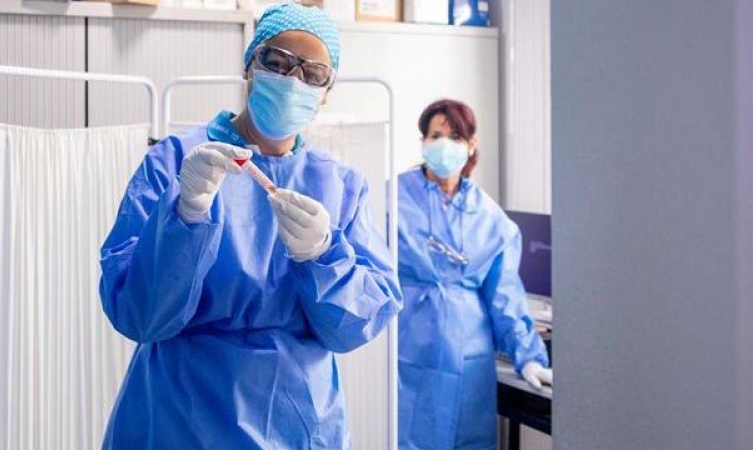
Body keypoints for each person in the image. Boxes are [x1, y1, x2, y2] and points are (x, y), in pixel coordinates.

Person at [98, 5, 402, 449]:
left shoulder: (340, 186)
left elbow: (354, 326)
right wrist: (184, 216)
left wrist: (323, 256)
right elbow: (138, 313)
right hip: (181, 417)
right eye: (277, 63)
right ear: (250, 65)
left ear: (327, 90)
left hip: (297, 421)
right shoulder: (176, 162)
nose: (292, 81)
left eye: (312, 73)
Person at [397, 99, 551, 449]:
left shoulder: (492, 219)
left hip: (469, 361)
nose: (444, 144)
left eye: (455, 136)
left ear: (471, 145)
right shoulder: (392, 200)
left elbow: (505, 297)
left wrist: (529, 358)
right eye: (436, 135)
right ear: (422, 141)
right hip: (408, 353)